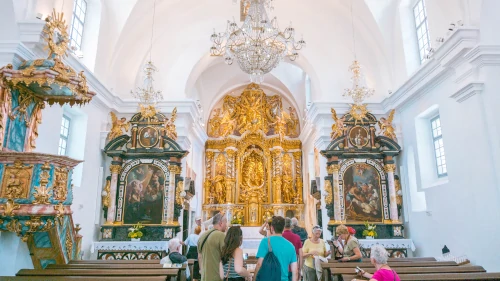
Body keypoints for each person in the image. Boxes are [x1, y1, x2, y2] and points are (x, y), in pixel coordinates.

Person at [254, 216, 298, 281]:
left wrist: (254, 278)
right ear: (283, 228)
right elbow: (295, 271)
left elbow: (259, 264)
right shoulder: (291, 246)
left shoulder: (265, 241)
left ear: (272, 228)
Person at [197, 213, 227, 281]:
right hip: (216, 276)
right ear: (221, 223)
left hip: (204, 277)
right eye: (226, 222)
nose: (226, 225)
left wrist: (202, 272)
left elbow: (199, 256)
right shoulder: (221, 235)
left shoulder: (202, 236)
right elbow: (226, 255)